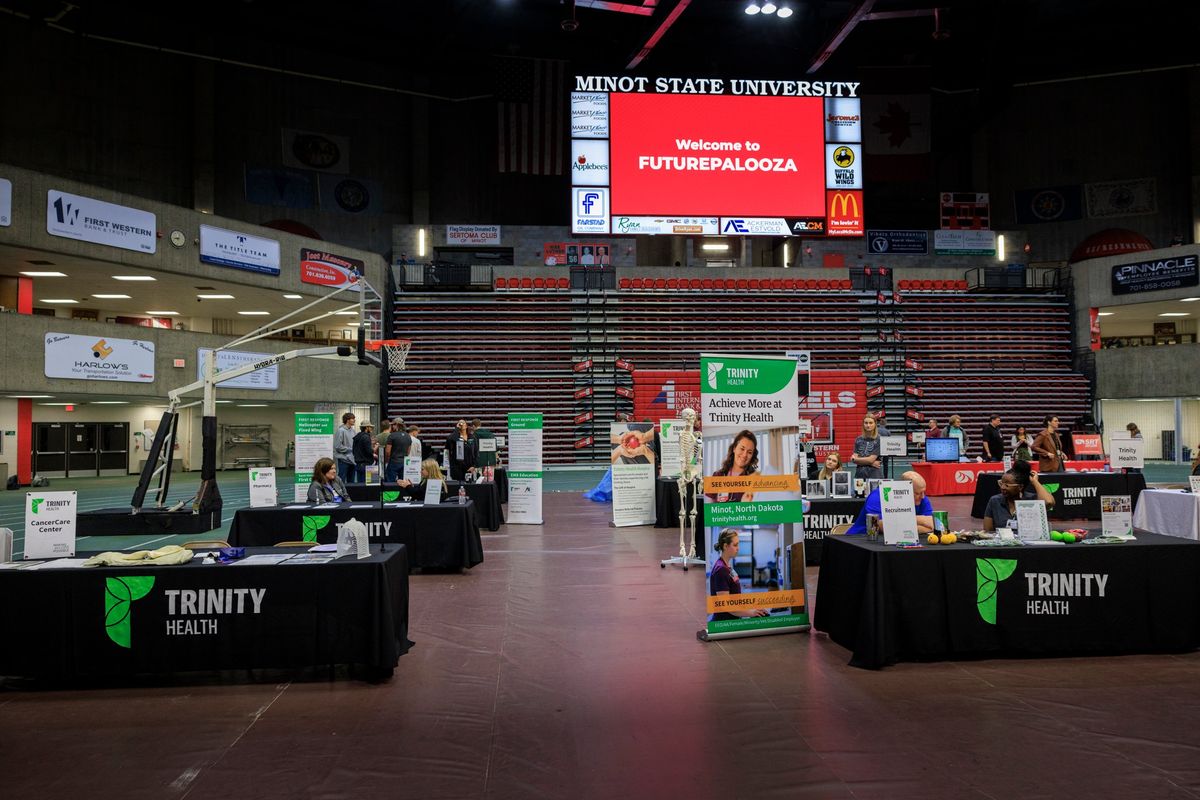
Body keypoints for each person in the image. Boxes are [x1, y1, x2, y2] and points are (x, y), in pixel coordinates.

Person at [845, 470, 936, 535]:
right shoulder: (878, 496)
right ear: (904, 488)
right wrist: (919, 520)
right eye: (917, 493)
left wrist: (897, 524)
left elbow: (932, 524)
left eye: (924, 492)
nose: (923, 496)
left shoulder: (922, 498)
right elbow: (881, 526)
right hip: (861, 539)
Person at [708, 528, 768, 621]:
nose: (738, 548)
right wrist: (751, 613)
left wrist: (753, 609)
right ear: (725, 546)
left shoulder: (728, 565)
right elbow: (726, 606)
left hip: (733, 618)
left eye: (738, 544)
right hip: (724, 623)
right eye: (735, 545)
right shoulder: (721, 570)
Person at [983, 460, 1055, 531]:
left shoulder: (1032, 500)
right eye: (1001, 483)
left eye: (1007, 485)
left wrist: (1035, 481)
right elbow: (988, 531)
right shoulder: (995, 501)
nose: (1002, 487)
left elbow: (1049, 502)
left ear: (1020, 487)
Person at [706, 430, 758, 501]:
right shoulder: (718, 475)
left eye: (749, 452)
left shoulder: (754, 480)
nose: (745, 455)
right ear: (734, 448)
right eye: (742, 449)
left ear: (752, 455)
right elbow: (709, 507)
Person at [851, 415, 884, 480]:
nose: (868, 425)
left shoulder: (880, 439)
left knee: (874, 490)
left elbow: (870, 460)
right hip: (859, 475)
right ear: (863, 424)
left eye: (871, 423)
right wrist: (871, 463)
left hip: (874, 475)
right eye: (866, 423)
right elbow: (855, 459)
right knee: (858, 490)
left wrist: (856, 459)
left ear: (875, 424)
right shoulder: (858, 439)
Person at [333, 411, 357, 484]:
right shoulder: (341, 431)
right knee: (341, 481)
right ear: (347, 420)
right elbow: (338, 446)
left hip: (352, 460)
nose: (354, 420)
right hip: (343, 460)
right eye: (353, 418)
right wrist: (351, 450)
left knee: (351, 481)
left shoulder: (353, 431)